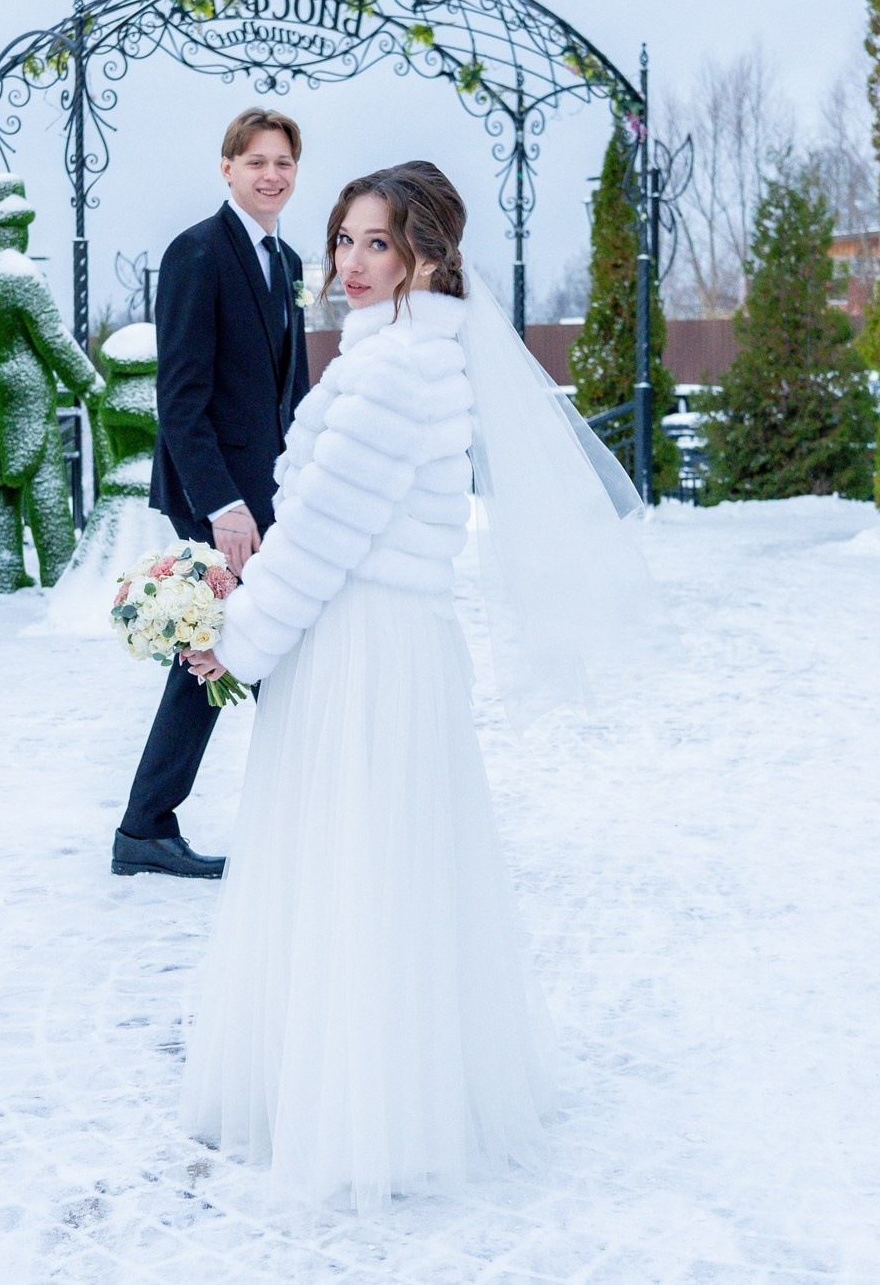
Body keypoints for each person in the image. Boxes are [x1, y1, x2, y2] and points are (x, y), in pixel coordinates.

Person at [176, 160, 655, 1212]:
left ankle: (368, 1113)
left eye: (376, 244)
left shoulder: (394, 375)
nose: (349, 263)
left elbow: (328, 539)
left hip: (366, 651)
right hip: (367, 640)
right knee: (370, 866)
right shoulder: (391, 356)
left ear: (427, 257)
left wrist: (236, 639)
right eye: (342, 239)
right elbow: (318, 526)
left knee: (358, 870)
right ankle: (375, 1087)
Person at [112, 109, 312, 880]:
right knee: (249, 643)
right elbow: (181, 397)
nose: (271, 175)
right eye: (255, 160)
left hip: (266, 495)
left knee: (218, 652)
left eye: (284, 163)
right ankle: (316, 806)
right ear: (226, 168)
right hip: (216, 495)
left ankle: (147, 824)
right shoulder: (196, 253)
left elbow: (286, 394)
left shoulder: (287, 259)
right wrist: (224, 504)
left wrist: (294, 484)